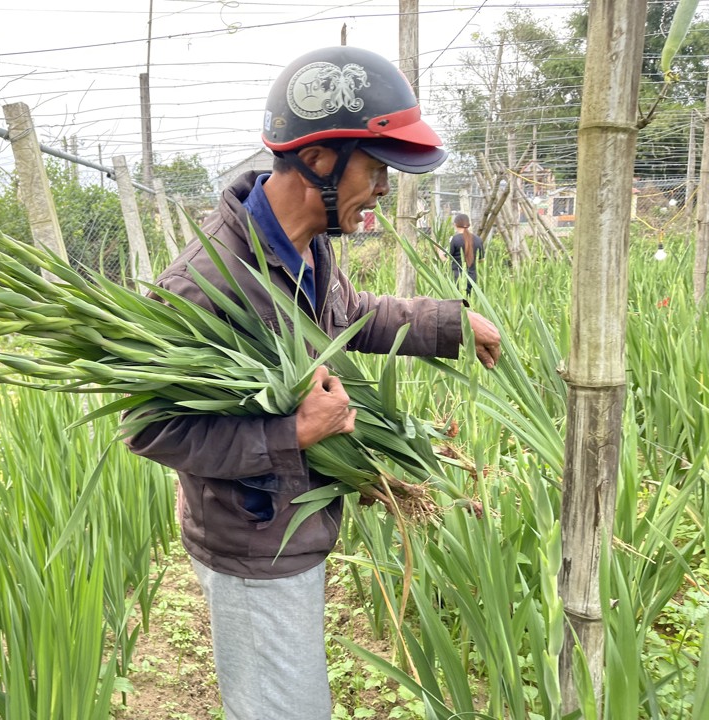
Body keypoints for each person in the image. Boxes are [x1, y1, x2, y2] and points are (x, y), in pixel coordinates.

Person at [125, 46, 501, 720]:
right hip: (254, 544)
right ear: (320, 160)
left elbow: (349, 318)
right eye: (378, 167)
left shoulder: (307, 245)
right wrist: (290, 434)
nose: (385, 188)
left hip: (294, 531)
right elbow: (149, 426)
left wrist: (453, 323)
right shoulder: (202, 284)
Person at [449, 213, 484, 296]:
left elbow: (447, 259)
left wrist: (439, 252)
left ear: (455, 224)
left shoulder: (455, 239)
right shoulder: (478, 240)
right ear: (468, 225)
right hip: (472, 278)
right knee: (469, 303)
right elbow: (482, 259)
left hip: (457, 279)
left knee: (458, 303)